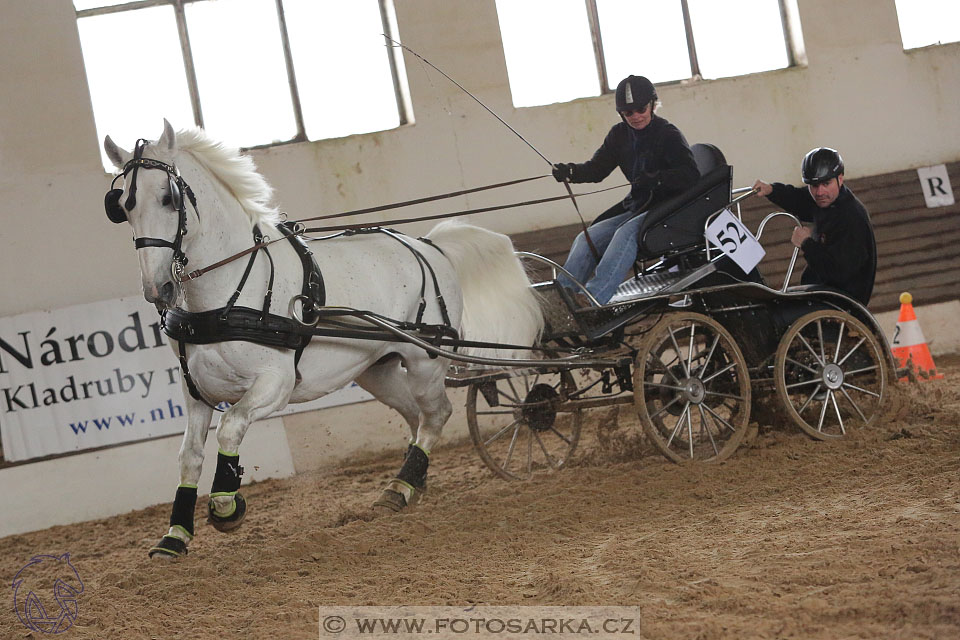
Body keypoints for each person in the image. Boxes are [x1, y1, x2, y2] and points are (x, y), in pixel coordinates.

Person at [552, 75, 700, 305]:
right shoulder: (618, 135)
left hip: (667, 211)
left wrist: (657, 179)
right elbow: (596, 170)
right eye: (628, 113)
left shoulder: (668, 134)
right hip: (637, 207)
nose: (636, 116)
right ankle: (561, 299)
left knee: (626, 234)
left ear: (652, 104)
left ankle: (592, 300)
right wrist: (570, 172)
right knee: (586, 238)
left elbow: (690, 176)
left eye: (641, 109)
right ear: (621, 114)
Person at [753, 147, 877, 305]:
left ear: (840, 178)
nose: (819, 192)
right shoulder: (827, 200)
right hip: (823, 291)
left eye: (826, 183)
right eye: (814, 185)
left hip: (842, 301)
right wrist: (771, 190)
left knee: (778, 306)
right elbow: (799, 199)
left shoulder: (851, 218)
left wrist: (807, 244)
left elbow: (839, 273)